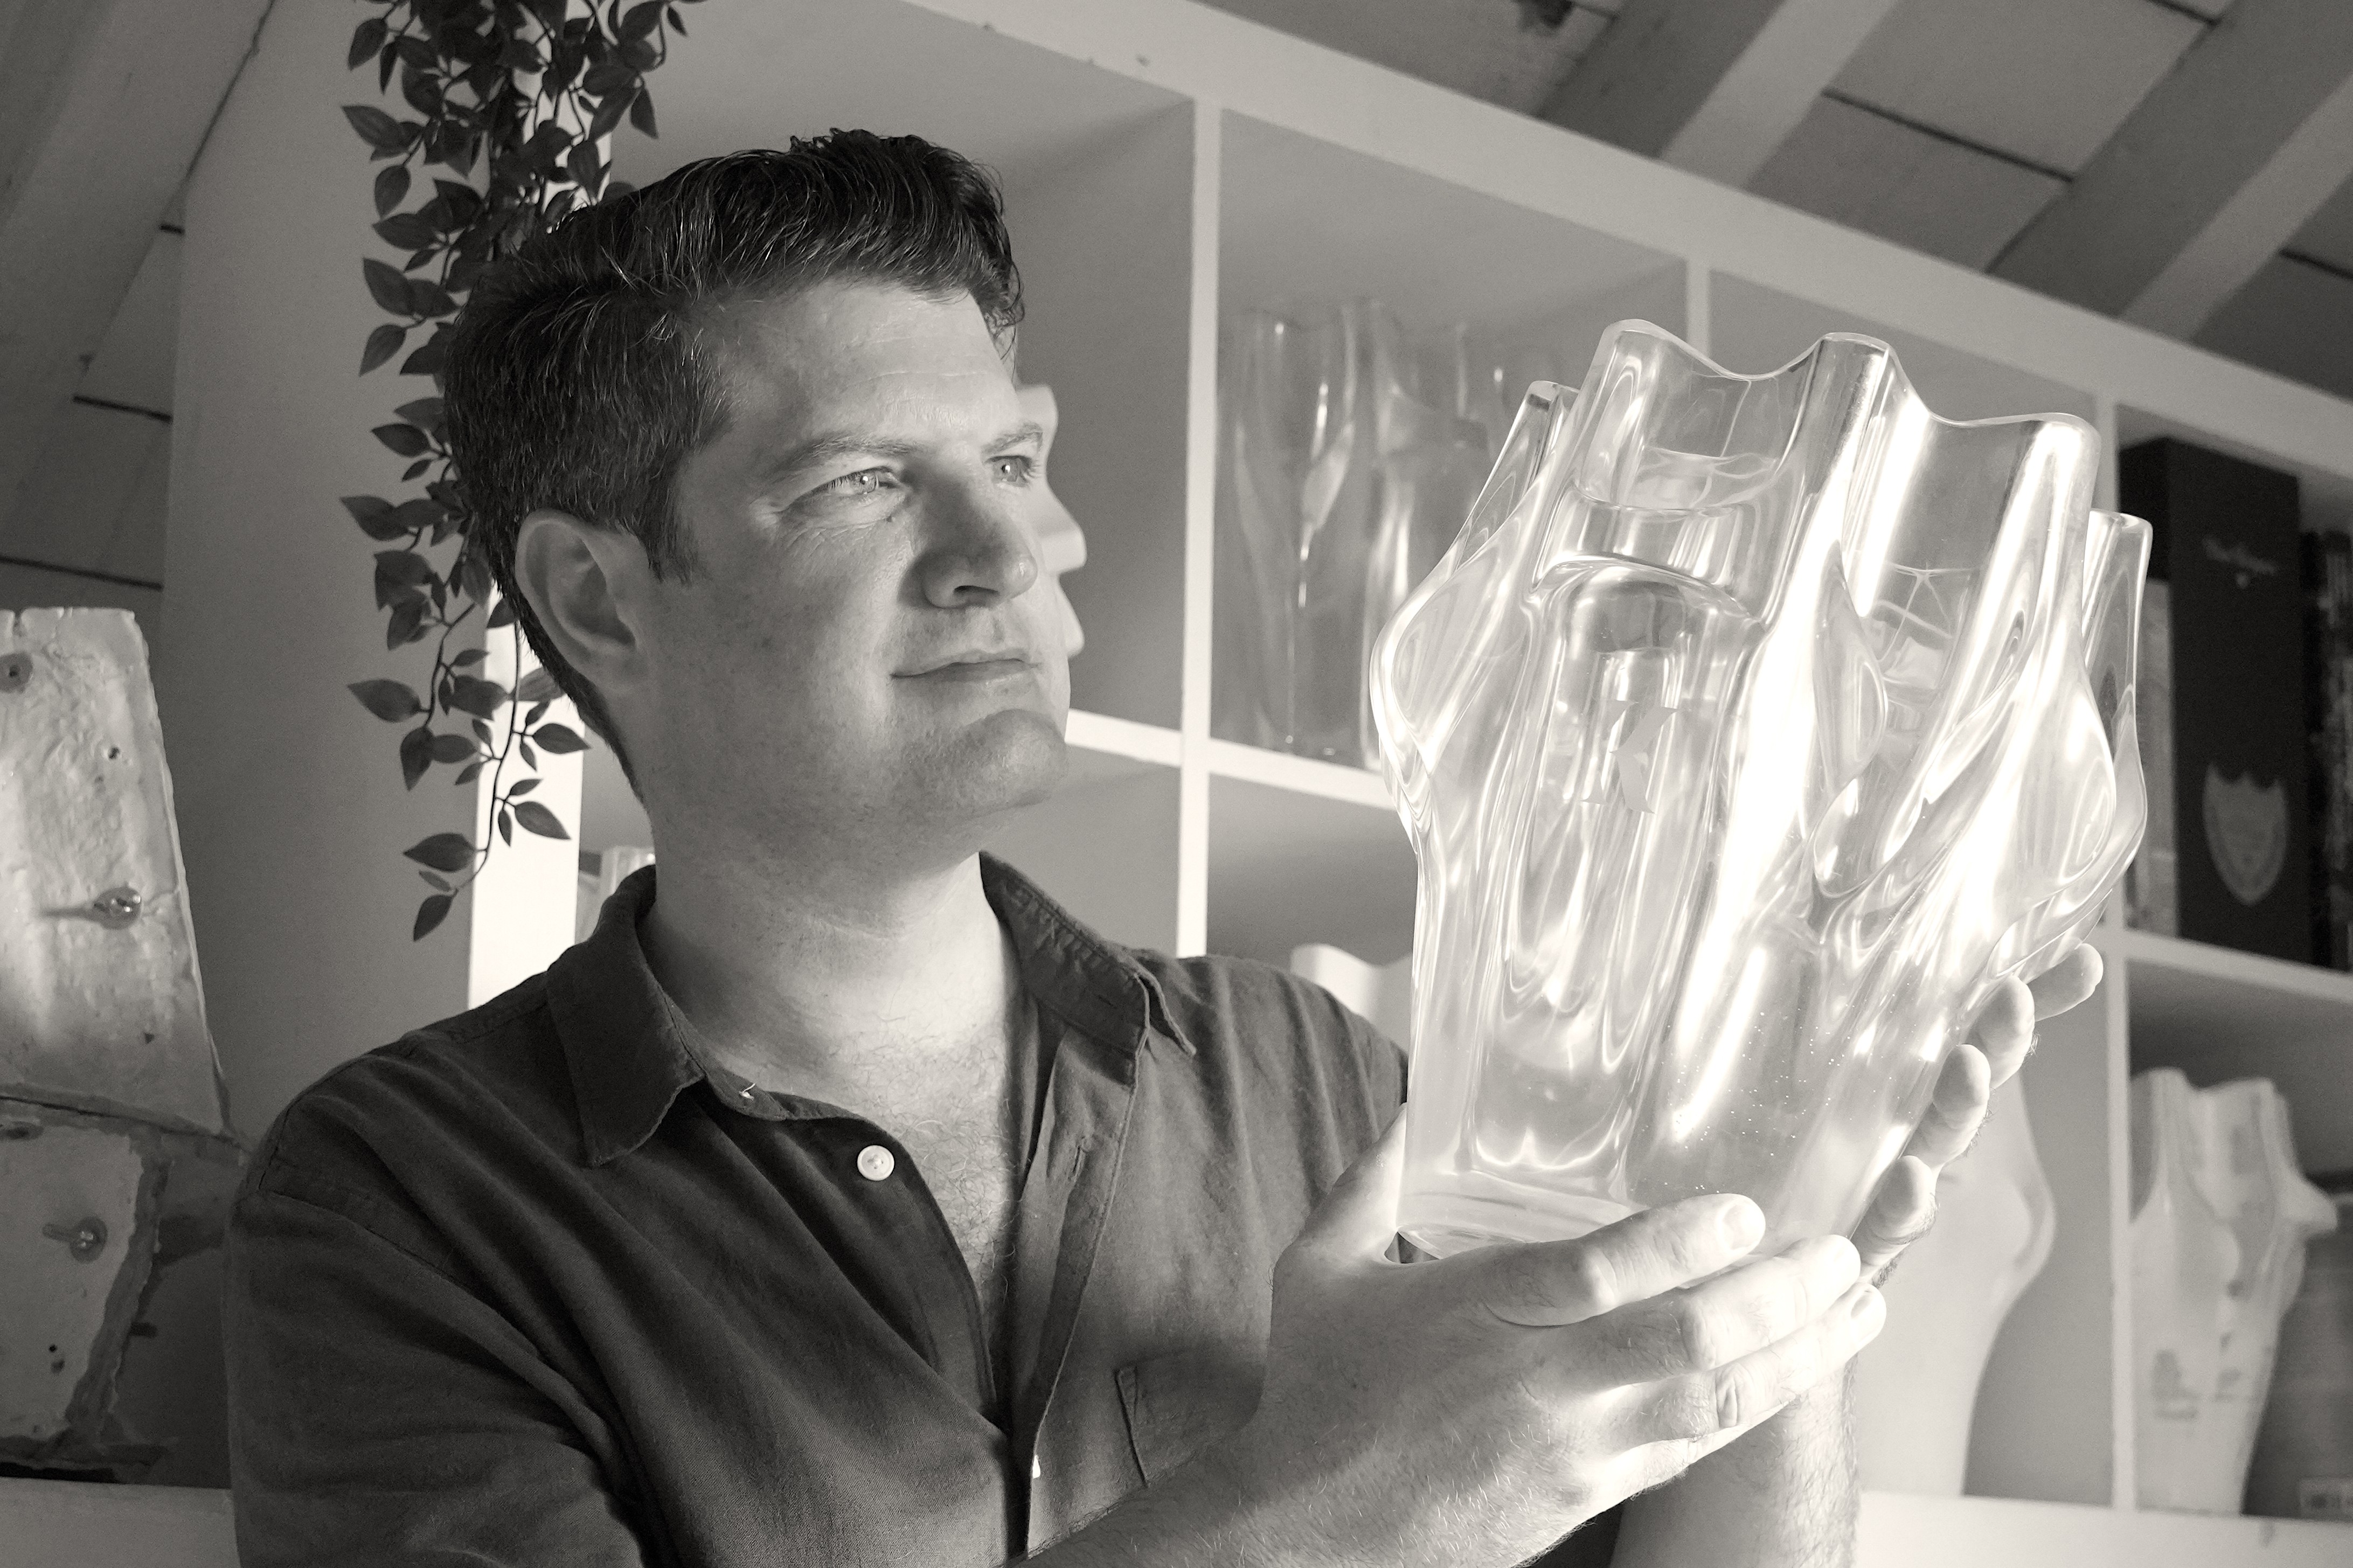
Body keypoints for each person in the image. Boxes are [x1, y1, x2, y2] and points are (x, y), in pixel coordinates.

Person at [223, 133, 2099, 1567]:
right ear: (596, 598)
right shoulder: (400, 1205)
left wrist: (1773, 1293)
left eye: (1012, 463)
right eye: (863, 483)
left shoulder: (1320, 1079)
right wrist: (1331, 1504)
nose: (1013, 550)